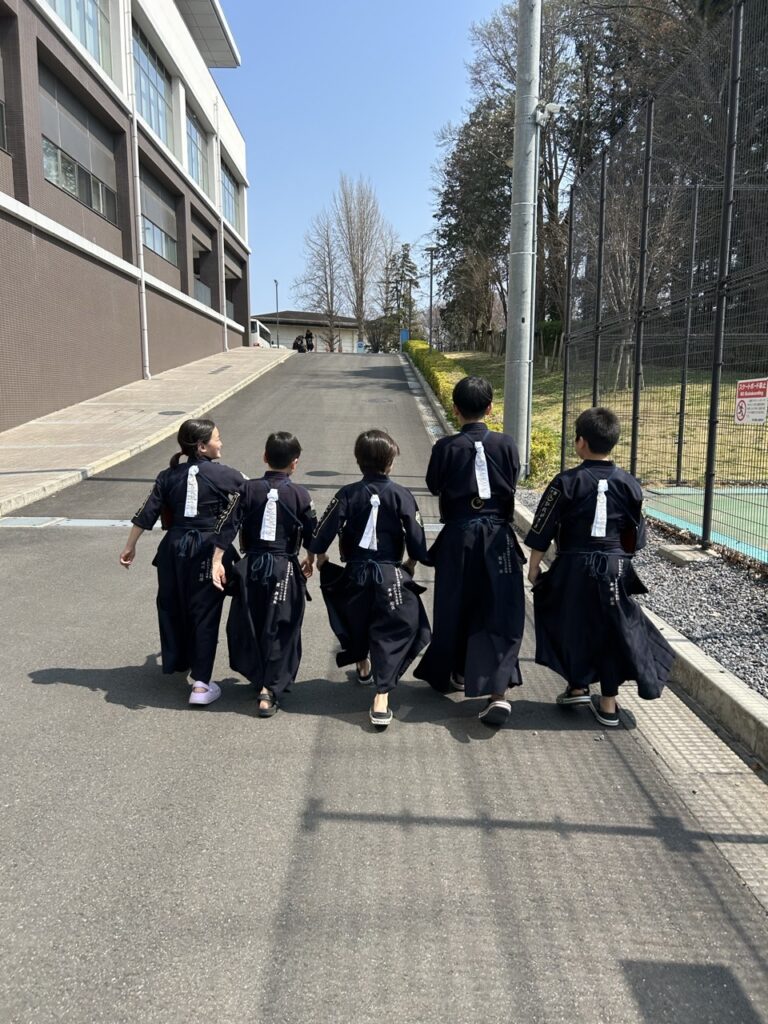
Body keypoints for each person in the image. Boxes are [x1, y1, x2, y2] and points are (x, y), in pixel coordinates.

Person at [525, 406, 674, 726]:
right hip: (615, 567)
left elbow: (543, 526)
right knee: (611, 628)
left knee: (569, 622)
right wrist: (619, 562)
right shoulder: (630, 484)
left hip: (572, 567)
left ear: (581, 442)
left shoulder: (566, 481)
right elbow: (636, 537)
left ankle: (578, 684)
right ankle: (608, 704)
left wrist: (534, 567)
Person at [414, 376, 526, 727]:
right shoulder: (506, 444)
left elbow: (434, 485)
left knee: (454, 605)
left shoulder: (445, 447)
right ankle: (497, 691)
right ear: (490, 408)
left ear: (455, 409)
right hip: (498, 537)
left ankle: (456, 670)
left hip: (459, 536)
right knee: (500, 608)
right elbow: (513, 479)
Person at [309, 429, 431, 728]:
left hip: (355, 573)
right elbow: (417, 541)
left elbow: (323, 531)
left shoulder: (347, 493)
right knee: (394, 628)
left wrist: (319, 557)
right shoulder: (402, 494)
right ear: (390, 461)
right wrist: (411, 563)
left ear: (358, 459)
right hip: (389, 574)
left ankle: (362, 663)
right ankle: (381, 696)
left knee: (355, 619)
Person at [119, 418, 244, 706]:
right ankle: (201, 685)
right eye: (217, 438)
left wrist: (130, 546)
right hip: (207, 549)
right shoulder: (227, 475)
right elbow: (251, 500)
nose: (221, 443)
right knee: (205, 613)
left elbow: (147, 511)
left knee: (173, 606)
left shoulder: (168, 475)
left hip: (172, 550)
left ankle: (180, 660)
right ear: (202, 446)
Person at [212, 432, 316, 717]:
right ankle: (269, 689)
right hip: (285, 568)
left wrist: (217, 561)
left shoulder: (247, 489)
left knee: (250, 622)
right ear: (295, 463)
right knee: (282, 626)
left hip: (251, 567)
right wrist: (312, 558)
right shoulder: (301, 494)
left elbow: (227, 525)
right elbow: (312, 534)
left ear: (264, 457)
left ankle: (259, 677)